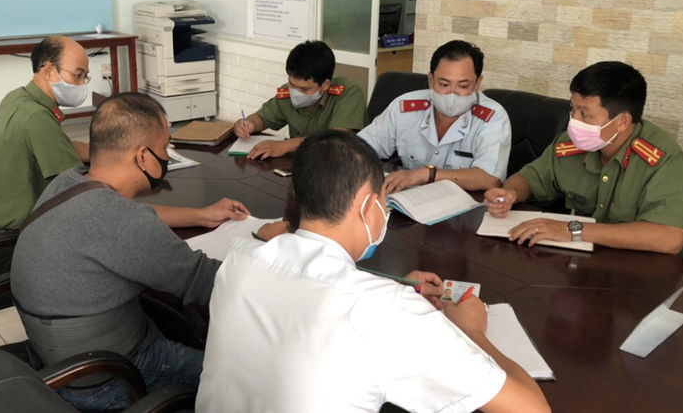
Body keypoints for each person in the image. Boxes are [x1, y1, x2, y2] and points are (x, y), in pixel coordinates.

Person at [196, 131, 550, 413]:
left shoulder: (240, 259)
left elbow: (315, 285)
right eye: (384, 202)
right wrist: (470, 331)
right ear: (368, 205)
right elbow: (530, 408)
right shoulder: (388, 312)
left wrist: (392, 285)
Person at [11, 93, 286, 412]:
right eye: (165, 147)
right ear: (143, 157)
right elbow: (211, 284)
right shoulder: (124, 224)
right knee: (249, 378)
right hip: (110, 379)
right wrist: (263, 242)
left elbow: (125, 217)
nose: (167, 156)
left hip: (62, 363)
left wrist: (200, 215)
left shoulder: (68, 182)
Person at [485, 61, 683, 255]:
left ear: (622, 121)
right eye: (572, 109)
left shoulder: (661, 157)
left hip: (642, 267)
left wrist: (571, 230)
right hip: (584, 259)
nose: (573, 121)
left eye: (584, 114)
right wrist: (509, 194)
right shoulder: (570, 144)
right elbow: (529, 178)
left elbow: (671, 237)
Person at [0, 35, 92, 236]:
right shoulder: (37, 117)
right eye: (77, 75)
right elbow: (75, 181)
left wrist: (101, 152)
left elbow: (61, 147)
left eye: (85, 77)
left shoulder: (16, 98)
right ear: (49, 71)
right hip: (14, 238)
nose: (82, 85)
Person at [358, 40, 511, 193]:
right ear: (431, 80)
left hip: (462, 202)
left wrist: (425, 174)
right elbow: (359, 149)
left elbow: (490, 178)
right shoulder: (404, 107)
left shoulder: (492, 118)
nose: (452, 93)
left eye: (463, 86)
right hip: (409, 198)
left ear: (477, 84)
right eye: (444, 84)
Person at [232, 40, 367, 159]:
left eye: (304, 89)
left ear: (325, 85)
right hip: (300, 165)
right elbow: (262, 118)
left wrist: (286, 146)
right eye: (292, 84)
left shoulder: (348, 93)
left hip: (341, 167)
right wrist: (249, 124)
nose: (295, 93)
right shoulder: (287, 93)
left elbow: (336, 140)